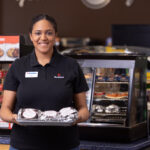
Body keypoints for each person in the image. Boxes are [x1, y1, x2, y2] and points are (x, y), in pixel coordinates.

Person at [0, 14, 89, 150]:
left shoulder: (71, 66)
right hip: (23, 145)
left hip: (64, 145)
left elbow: (84, 110)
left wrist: (72, 119)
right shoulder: (18, 66)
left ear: (55, 36)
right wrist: (16, 118)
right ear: (30, 36)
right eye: (37, 33)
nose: (43, 38)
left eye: (49, 33)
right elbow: (4, 111)